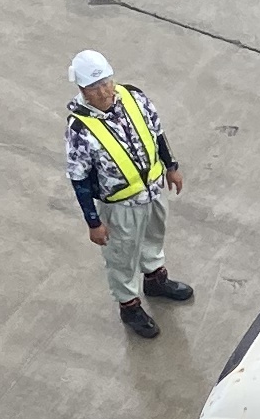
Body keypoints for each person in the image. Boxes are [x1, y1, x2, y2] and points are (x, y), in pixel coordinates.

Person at [64, 49, 187, 342]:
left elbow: (157, 133)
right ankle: (129, 306)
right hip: (120, 204)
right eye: (95, 87)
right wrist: (93, 222)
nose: (104, 91)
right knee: (122, 255)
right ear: (83, 90)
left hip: (153, 188)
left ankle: (156, 279)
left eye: (106, 82)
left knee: (154, 235)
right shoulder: (80, 128)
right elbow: (78, 177)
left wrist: (171, 166)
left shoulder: (133, 97)